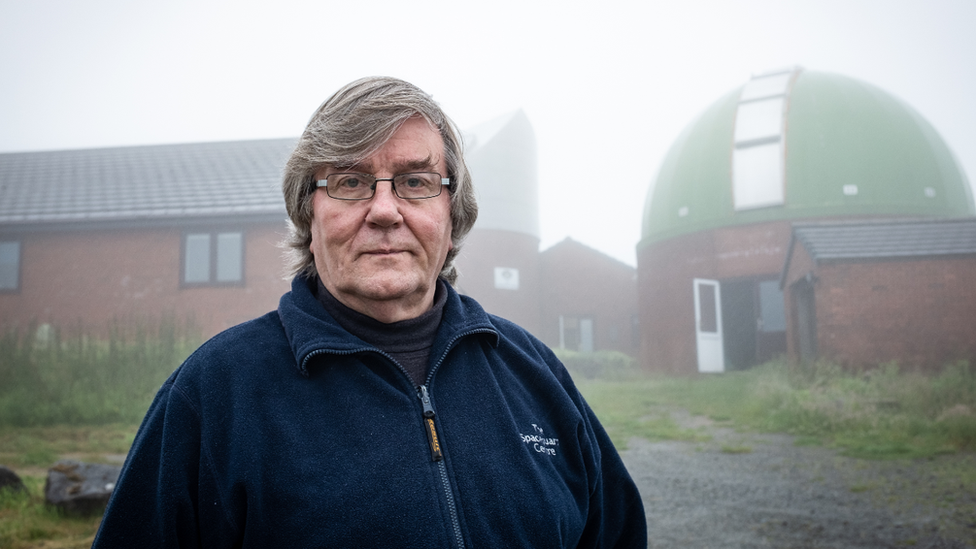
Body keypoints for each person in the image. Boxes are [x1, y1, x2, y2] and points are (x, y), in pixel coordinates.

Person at [92, 76, 646, 548]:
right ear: (309, 217)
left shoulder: (535, 372)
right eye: (351, 182)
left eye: (415, 182)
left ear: (452, 217)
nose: (385, 210)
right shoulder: (214, 395)